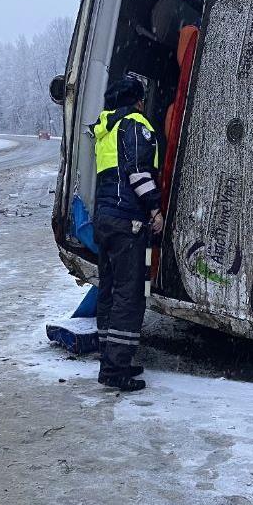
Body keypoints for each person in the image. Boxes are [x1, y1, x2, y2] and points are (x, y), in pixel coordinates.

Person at [91, 76, 163, 392]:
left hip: (105, 222)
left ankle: (110, 354)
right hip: (128, 222)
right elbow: (138, 172)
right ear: (137, 101)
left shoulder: (105, 130)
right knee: (130, 292)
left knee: (109, 288)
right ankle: (115, 369)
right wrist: (155, 210)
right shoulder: (135, 125)